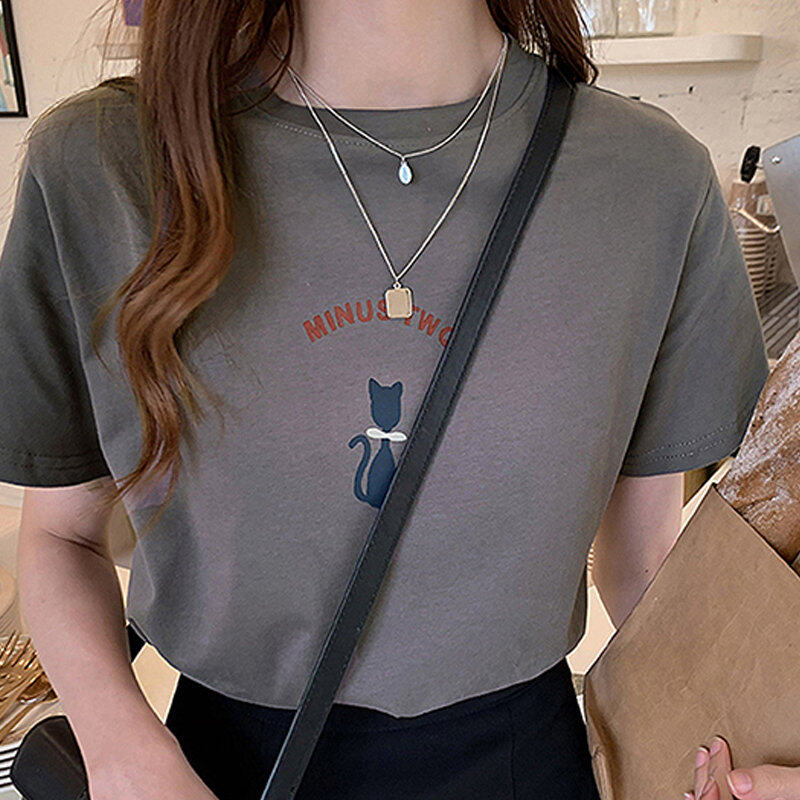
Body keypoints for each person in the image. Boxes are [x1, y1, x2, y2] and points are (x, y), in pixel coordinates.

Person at [0, 1, 772, 798]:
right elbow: (62, 534)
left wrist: (742, 745)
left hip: (520, 765)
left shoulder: (649, 182)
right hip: (213, 770)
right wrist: (122, 753)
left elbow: (646, 565)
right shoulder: (107, 168)